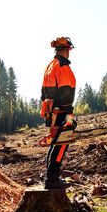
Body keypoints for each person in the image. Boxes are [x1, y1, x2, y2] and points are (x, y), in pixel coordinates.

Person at [41, 37, 76, 189]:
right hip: (61, 111)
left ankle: (50, 177)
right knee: (62, 143)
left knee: (55, 144)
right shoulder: (63, 66)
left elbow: (44, 92)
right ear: (67, 49)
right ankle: (52, 180)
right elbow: (65, 93)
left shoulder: (50, 65)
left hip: (51, 110)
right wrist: (69, 113)